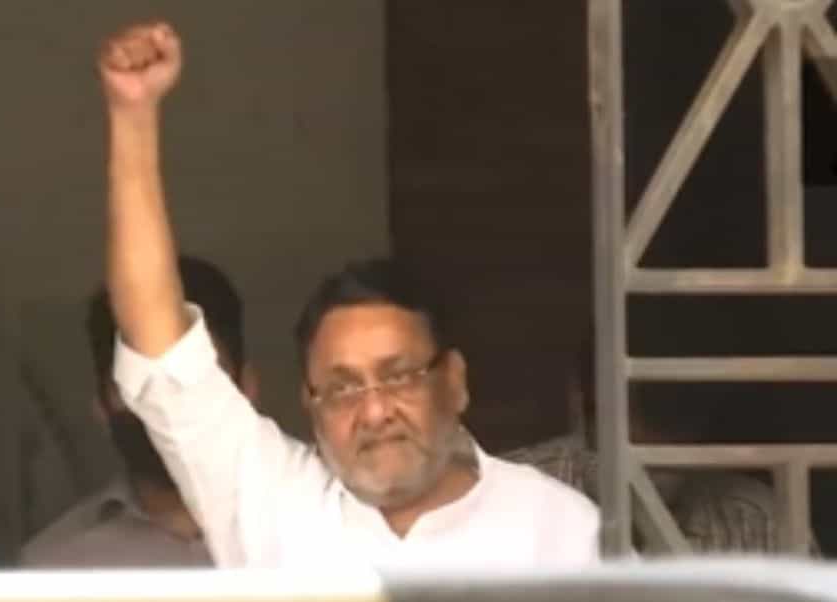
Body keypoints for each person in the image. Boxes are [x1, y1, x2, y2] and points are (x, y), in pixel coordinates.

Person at [95, 21, 599, 569]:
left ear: (454, 382)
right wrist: (133, 115)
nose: (375, 411)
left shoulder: (558, 526)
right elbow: (158, 343)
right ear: (309, 406)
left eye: (399, 375)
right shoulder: (274, 502)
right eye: (342, 388)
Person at [22, 256, 255, 568]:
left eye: (195, 379)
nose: (168, 405)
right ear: (101, 406)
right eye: (139, 383)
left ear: (247, 388)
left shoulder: (314, 528)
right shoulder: (51, 571)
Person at [505, 332, 786, 554]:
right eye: (638, 411)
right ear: (584, 403)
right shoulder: (507, 500)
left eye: (677, 414)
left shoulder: (758, 523)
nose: (654, 442)